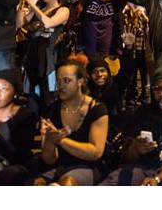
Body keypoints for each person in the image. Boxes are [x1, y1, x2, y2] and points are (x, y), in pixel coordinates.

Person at [35, 56, 109, 186]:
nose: (61, 86)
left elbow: (95, 152)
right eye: (58, 81)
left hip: (88, 167)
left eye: (66, 81)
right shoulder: (53, 109)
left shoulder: (97, 109)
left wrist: (61, 140)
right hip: (58, 167)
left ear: (80, 81)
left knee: (66, 183)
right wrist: (50, 141)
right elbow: (49, 159)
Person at [18, 0, 71, 116]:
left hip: (49, 57)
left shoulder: (63, 10)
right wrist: (21, 5)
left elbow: (48, 23)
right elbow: (20, 24)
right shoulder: (39, 8)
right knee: (31, 96)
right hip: (32, 54)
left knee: (48, 95)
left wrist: (31, 3)